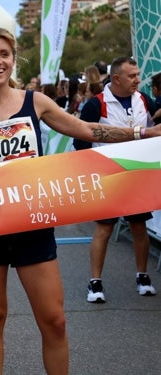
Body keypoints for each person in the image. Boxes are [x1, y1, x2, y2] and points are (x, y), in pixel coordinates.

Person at [0, 27, 161, 375]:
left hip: (33, 224)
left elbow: (88, 131)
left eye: (4, 54)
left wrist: (142, 133)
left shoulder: (35, 102)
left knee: (54, 320)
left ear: (13, 59)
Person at [74, 56, 158, 303]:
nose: (138, 80)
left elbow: (156, 119)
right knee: (105, 228)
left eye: (138, 75)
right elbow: (81, 142)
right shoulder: (96, 104)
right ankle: (95, 282)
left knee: (139, 227)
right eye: (132, 76)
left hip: (136, 175)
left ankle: (143, 276)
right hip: (108, 176)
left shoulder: (142, 99)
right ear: (117, 78)